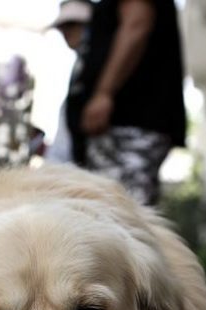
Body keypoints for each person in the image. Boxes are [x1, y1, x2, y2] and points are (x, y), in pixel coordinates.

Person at [67, 0, 187, 205]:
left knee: (121, 211)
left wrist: (104, 93)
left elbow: (136, 25)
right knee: (110, 210)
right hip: (121, 127)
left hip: (130, 124)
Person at [44, 0, 93, 164]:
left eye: (72, 25)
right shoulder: (78, 64)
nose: (65, 32)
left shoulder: (94, 63)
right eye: (62, 27)